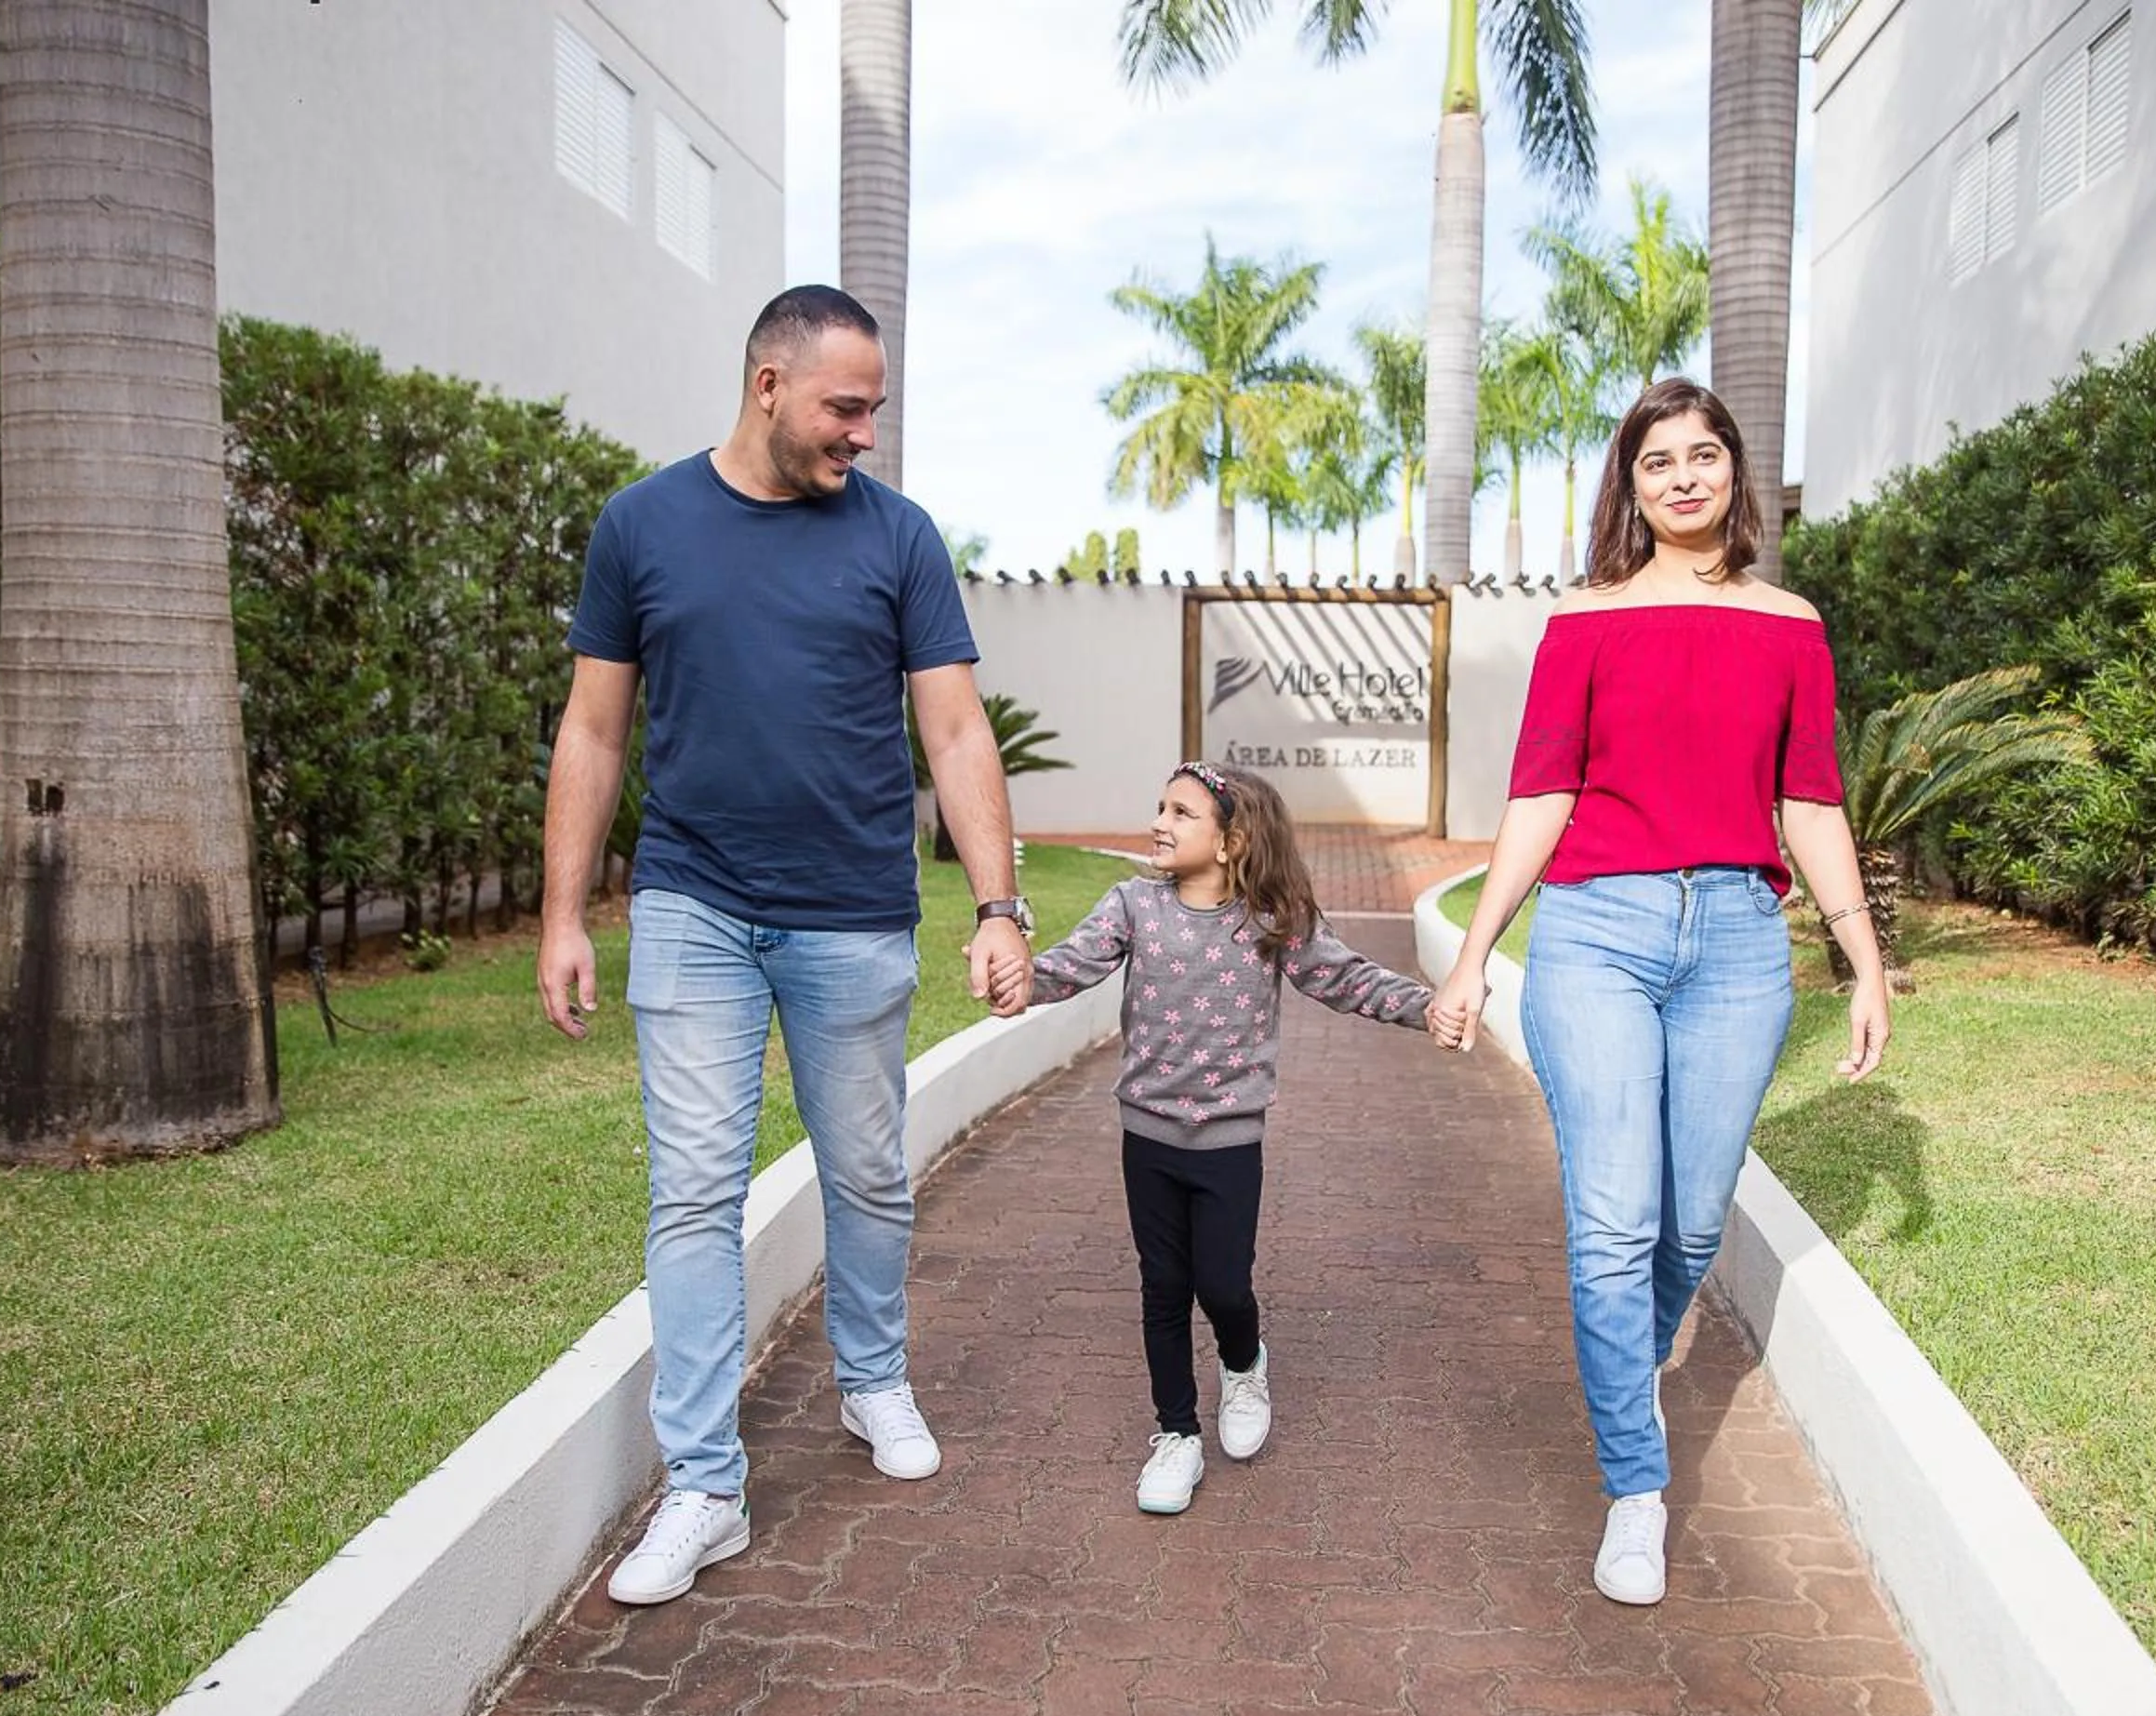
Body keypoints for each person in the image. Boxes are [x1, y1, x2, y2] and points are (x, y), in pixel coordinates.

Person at [538, 286, 1035, 1607]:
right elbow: (593, 731)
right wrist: (562, 914)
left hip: (854, 912)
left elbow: (956, 733)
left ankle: (874, 1382)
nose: (863, 433)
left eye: (874, 408)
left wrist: (999, 905)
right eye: (845, 405)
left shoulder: (899, 539)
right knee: (693, 1191)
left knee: (867, 1173)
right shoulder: (643, 527)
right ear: (768, 385)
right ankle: (705, 1484)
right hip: (694, 905)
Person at [1429, 377, 1890, 1608]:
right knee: (1615, 1221)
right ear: (1628, 489)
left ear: (1735, 473)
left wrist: (1860, 952)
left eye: (1704, 456)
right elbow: (1542, 796)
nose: (1683, 478)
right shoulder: (1585, 620)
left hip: (1740, 935)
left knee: (1690, 1225)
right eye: (1656, 463)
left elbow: (1810, 798)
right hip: (1597, 934)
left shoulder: (1790, 622)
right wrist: (1475, 956)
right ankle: (1637, 1484)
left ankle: (1623, 1359)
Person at [996, 764, 1434, 1514]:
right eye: (1159, 806)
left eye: (1181, 812)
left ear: (1231, 841)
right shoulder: (1134, 905)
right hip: (1149, 1136)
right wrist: (1021, 982)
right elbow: (1072, 965)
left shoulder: (1272, 919)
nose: (1159, 822)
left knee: (1224, 1286)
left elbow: (1345, 979)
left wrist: (1426, 1007)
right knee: (1164, 1287)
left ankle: (1243, 1362)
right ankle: (1176, 1434)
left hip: (1230, 1141)